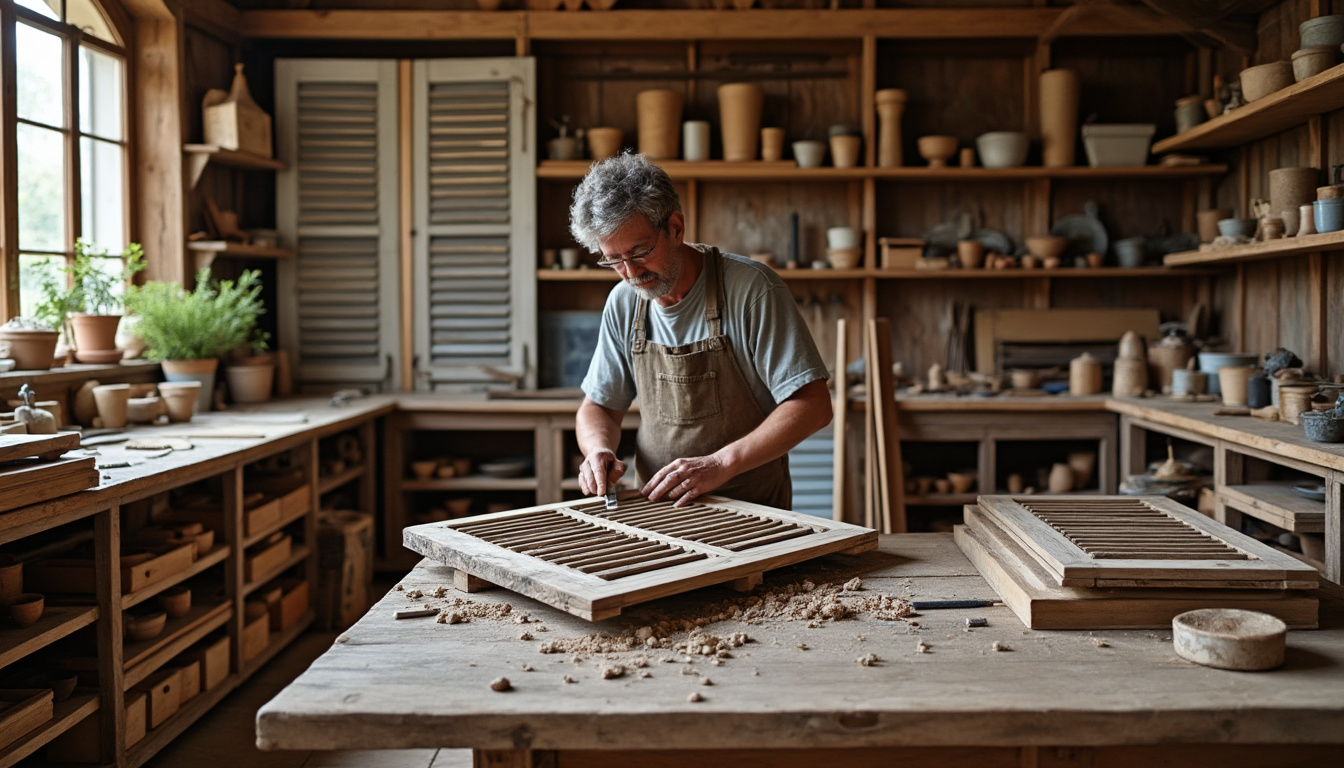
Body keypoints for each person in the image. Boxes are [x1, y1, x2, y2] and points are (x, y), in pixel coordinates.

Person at [571, 153, 832, 509]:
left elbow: (813, 406)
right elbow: (598, 406)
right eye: (613, 260)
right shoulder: (623, 302)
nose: (630, 273)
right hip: (657, 510)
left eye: (640, 252)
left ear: (675, 228)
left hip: (750, 511)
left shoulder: (752, 290)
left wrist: (721, 463)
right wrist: (598, 448)